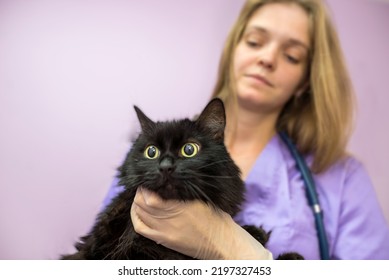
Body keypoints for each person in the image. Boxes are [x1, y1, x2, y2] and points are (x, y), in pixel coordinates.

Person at [103, 0, 389, 259]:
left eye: (291, 56)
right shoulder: (147, 152)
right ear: (233, 52)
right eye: (254, 42)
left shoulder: (344, 179)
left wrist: (236, 249)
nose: (267, 58)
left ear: (305, 82)